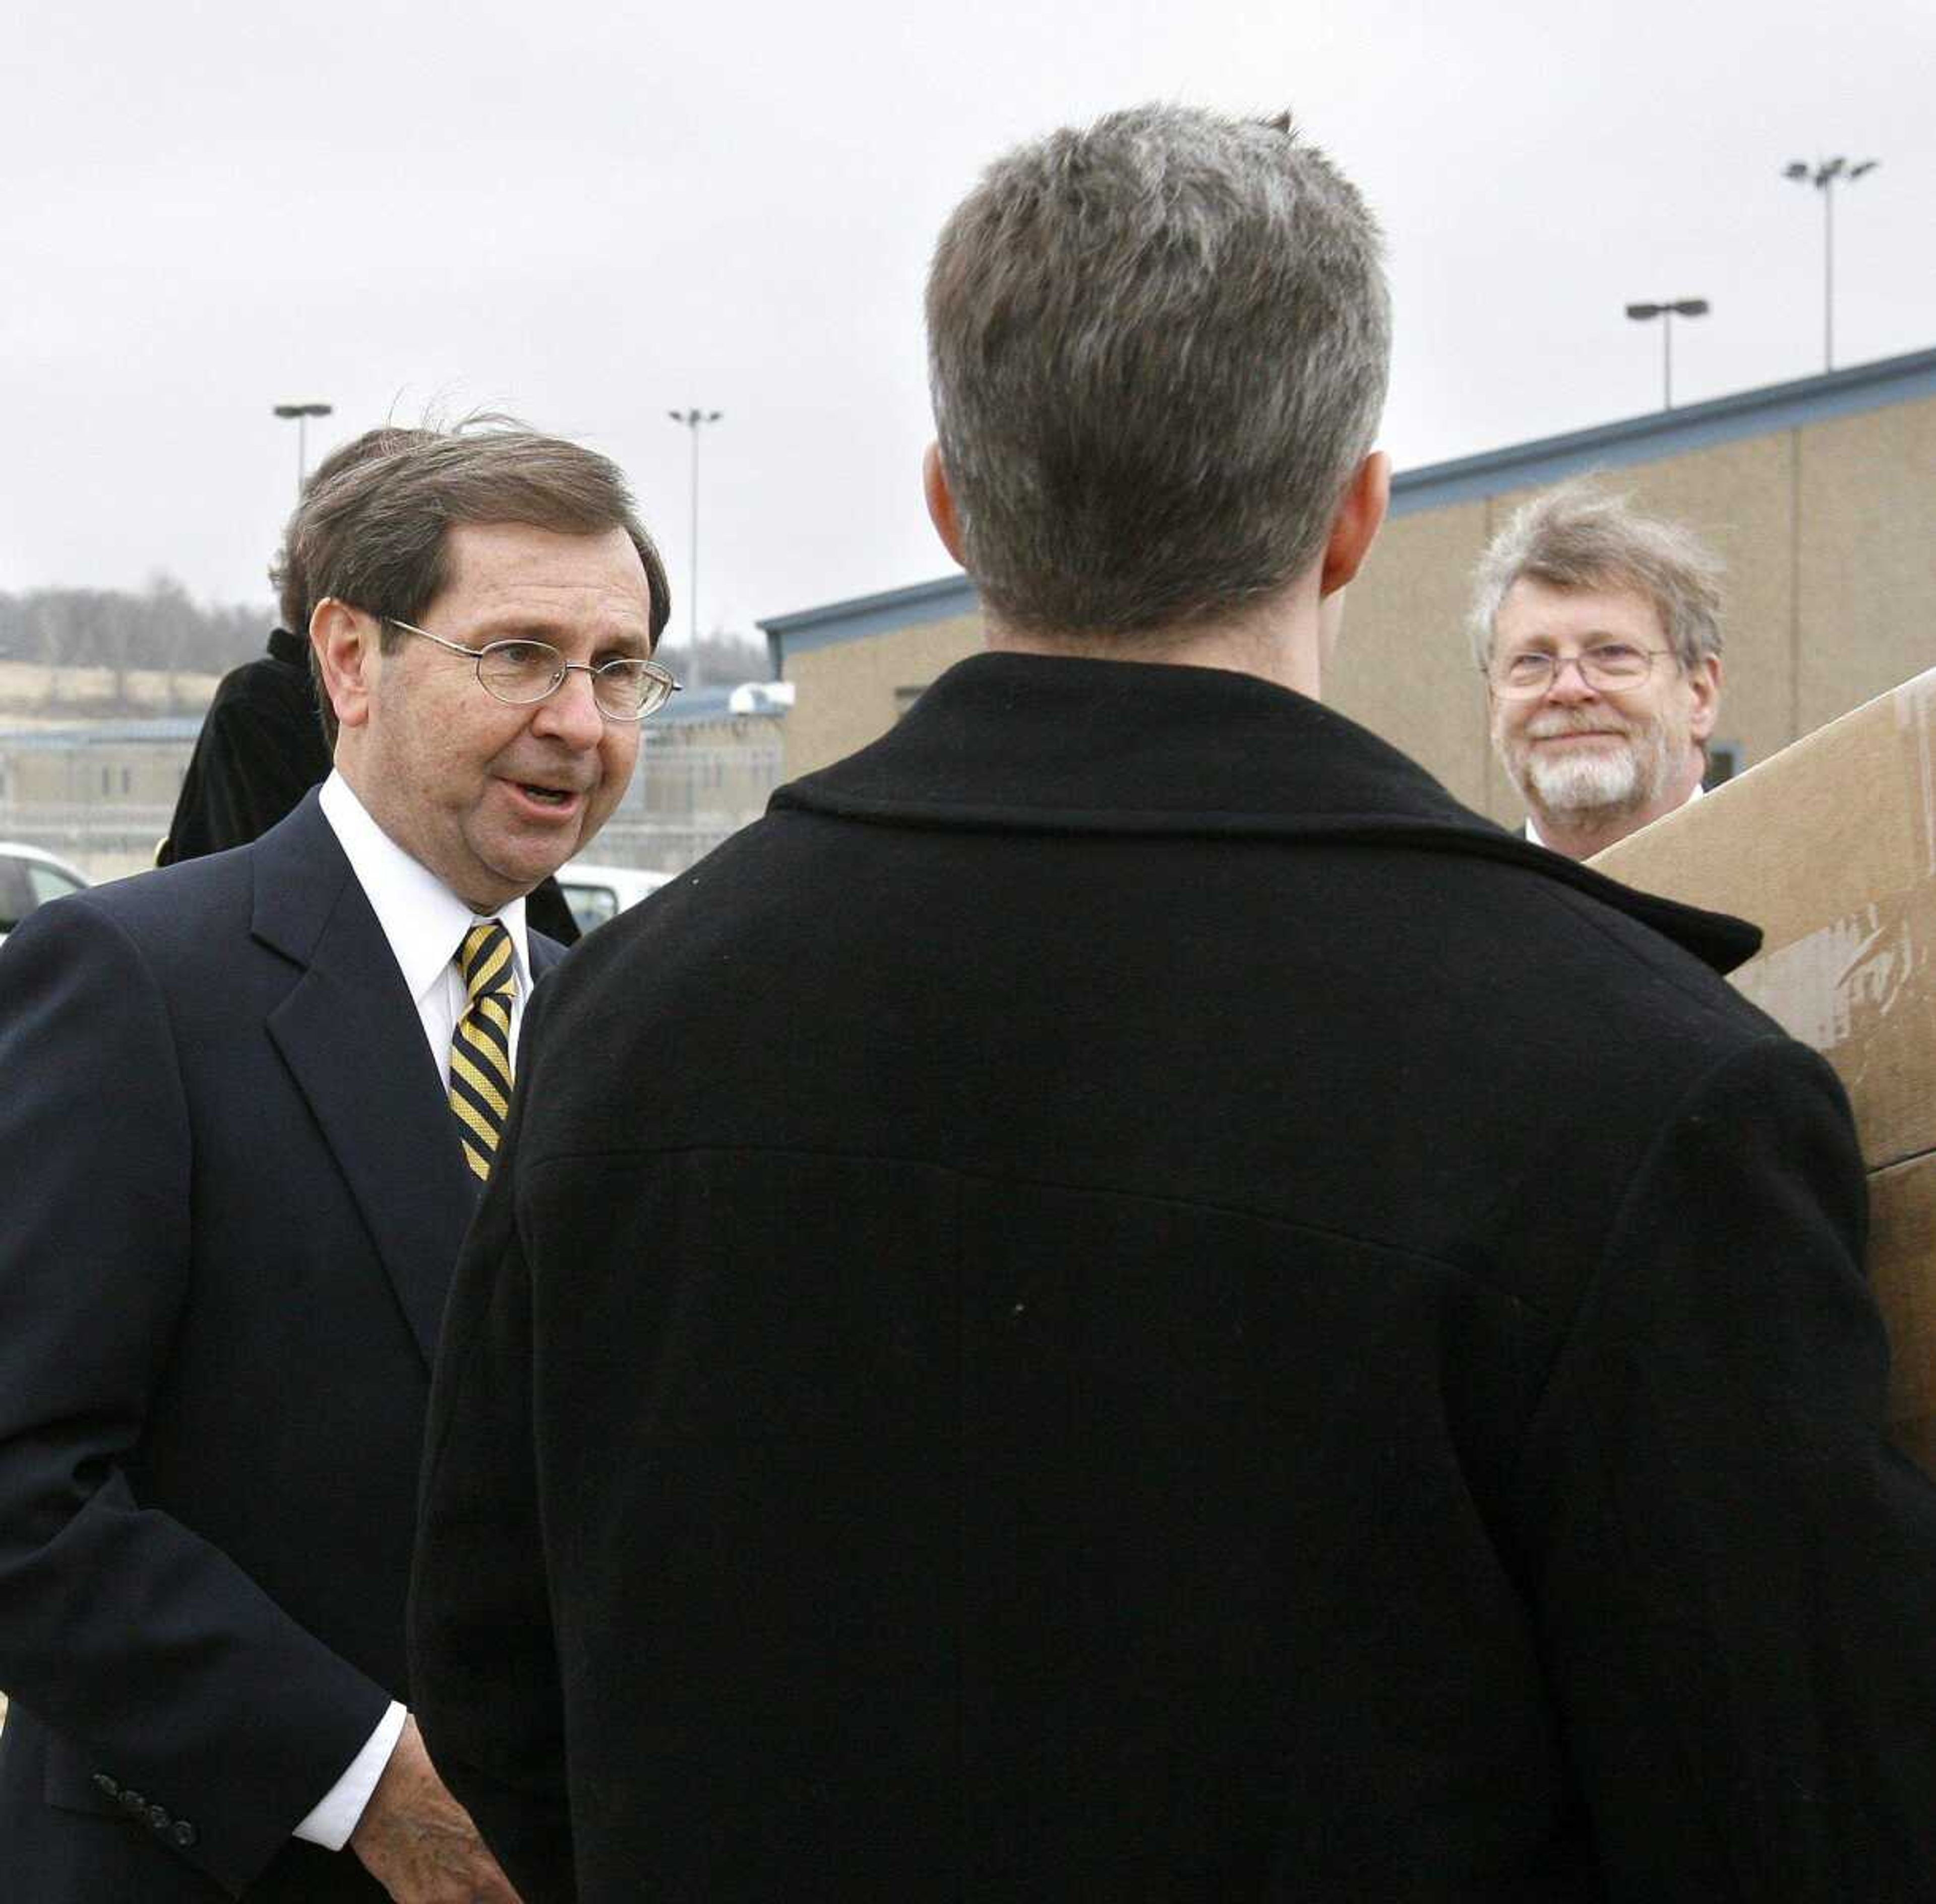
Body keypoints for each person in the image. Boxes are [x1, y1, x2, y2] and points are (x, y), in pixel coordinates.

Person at [410, 107, 1936, 1901]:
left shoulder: (623, 1025)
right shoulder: (1648, 1086)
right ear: (1357, 515)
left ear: (955, 505)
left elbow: (501, 1692)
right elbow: (1808, 1813)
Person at [0, 420, 674, 1901]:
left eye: (617, 669)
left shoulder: (619, 1031)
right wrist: (360, 1779)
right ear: (350, 660)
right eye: (518, 654)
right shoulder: (130, 984)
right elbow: (23, 1484)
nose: (581, 720)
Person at [159, 426, 583, 945]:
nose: (575, 723)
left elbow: (541, 940)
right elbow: (254, 923)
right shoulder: (265, 707)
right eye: (515, 654)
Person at [1471, 479, 1724, 859]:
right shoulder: (1449, 912)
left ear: (1699, 695)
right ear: (1494, 706)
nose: (1569, 689)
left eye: (1611, 654)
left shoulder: (1819, 893)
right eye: (1532, 661)